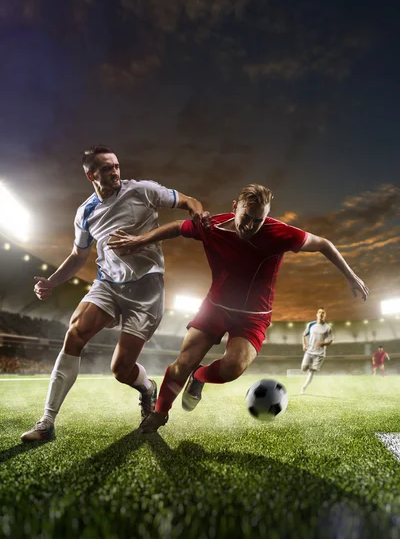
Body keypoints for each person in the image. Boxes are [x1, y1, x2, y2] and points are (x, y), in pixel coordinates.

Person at [107, 183, 369, 433]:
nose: (251, 225)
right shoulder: (213, 226)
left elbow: (323, 243)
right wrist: (138, 241)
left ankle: (199, 377)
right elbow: (177, 227)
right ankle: (161, 413)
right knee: (182, 363)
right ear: (235, 207)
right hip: (215, 307)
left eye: (259, 220)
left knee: (233, 368)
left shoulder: (278, 233)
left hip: (253, 318)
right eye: (247, 217)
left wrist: (350, 275)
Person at [21, 145, 209, 442]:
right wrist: (52, 282)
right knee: (74, 333)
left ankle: (147, 388)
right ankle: (47, 421)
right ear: (90, 175)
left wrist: (199, 213)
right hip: (107, 284)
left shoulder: (143, 191)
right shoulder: (85, 212)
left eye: (116, 166)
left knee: (121, 370)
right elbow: (78, 255)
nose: (115, 172)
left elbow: (188, 201)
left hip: (146, 289)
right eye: (107, 168)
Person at [300, 308, 333, 394]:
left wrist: (324, 343)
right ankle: (307, 371)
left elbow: (331, 340)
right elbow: (304, 335)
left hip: (319, 354)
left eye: (323, 313)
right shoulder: (311, 325)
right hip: (309, 351)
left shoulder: (328, 328)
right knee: (304, 368)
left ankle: (303, 388)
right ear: (317, 314)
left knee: (311, 371)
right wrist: (304, 344)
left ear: (325, 315)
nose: (321, 314)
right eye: (319, 312)